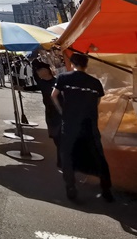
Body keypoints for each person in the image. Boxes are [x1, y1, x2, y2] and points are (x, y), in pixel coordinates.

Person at [52, 52, 113, 202]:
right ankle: (106, 189)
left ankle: (71, 187)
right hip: (89, 123)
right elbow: (97, 102)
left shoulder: (64, 78)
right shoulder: (95, 82)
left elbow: (54, 95)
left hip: (70, 122)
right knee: (98, 155)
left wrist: (62, 111)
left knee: (67, 155)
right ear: (86, 65)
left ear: (72, 64)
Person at [33, 59, 62, 167]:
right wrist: (21, 87)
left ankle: (62, 161)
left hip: (59, 113)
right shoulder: (41, 83)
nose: (37, 73)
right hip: (49, 114)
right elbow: (35, 86)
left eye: (39, 70)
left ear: (45, 71)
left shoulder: (57, 82)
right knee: (55, 137)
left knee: (60, 138)